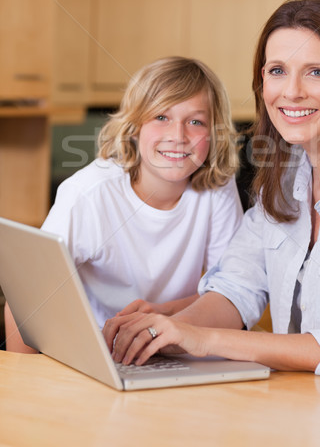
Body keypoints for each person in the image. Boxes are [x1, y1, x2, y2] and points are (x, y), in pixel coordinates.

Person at [103, 0, 320, 414]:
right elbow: (236, 287)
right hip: (302, 418)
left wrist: (201, 339)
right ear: (263, 81)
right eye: (278, 71)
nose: (292, 91)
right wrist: (165, 332)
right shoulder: (286, 171)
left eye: (315, 72)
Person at [5, 56, 243, 352]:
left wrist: (164, 312)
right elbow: (28, 292)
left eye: (195, 121)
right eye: (161, 117)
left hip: (179, 350)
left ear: (214, 133)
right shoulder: (89, 194)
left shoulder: (216, 188)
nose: (178, 136)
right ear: (134, 126)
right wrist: (26, 380)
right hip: (98, 353)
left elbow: (231, 292)